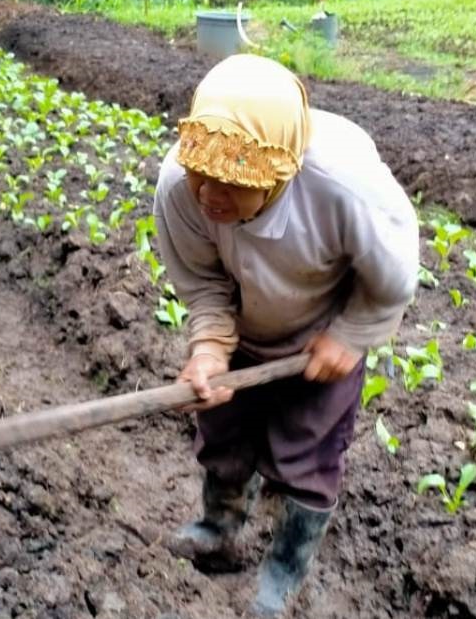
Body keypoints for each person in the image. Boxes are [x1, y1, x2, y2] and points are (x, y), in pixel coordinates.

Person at [153, 54, 418, 617]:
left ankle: (283, 574)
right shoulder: (180, 185)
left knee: (307, 457)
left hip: (321, 342)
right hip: (244, 326)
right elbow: (202, 282)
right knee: (223, 438)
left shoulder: (345, 188)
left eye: (232, 183)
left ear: (280, 173)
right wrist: (209, 347)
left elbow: (392, 281)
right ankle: (218, 528)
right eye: (203, 174)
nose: (210, 196)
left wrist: (349, 336)